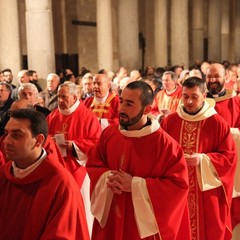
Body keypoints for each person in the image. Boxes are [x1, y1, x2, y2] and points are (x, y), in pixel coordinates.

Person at [86, 81, 191, 240]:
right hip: (111, 219)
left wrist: (135, 185)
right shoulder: (109, 134)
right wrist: (107, 177)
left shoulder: (166, 146)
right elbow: (94, 163)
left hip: (140, 229)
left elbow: (178, 186)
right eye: (121, 101)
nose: (121, 109)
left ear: (147, 110)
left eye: (129, 104)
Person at [161, 77, 237, 239]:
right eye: (185, 96)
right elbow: (160, 153)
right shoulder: (171, 121)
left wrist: (203, 160)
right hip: (177, 188)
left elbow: (229, 157)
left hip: (205, 192)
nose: (189, 101)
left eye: (194, 96)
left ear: (204, 95)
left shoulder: (217, 123)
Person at [0, 109, 89, 239]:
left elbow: (62, 235)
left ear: (38, 140)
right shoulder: (3, 175)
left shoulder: (61, 184)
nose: (6, 141)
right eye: (6, 133)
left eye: (17, 135)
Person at [47, 81, 102, 236]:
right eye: (59, 97)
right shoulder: (53, 116)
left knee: (82, 208)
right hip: (57, 169)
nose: (60, 101)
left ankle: (82, 235)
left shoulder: (87, 116)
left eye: (64, 97)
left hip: (79, 170)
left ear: (75, 96)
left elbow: (96, 143)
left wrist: (74, 146)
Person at [205, 63, 240, 238]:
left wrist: (229, 134)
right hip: (204, 168)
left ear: (225, 78)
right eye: (209, 77)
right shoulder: (198, 101)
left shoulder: (236, 102)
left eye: (216, 76)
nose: (212, 80)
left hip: (230, 166)